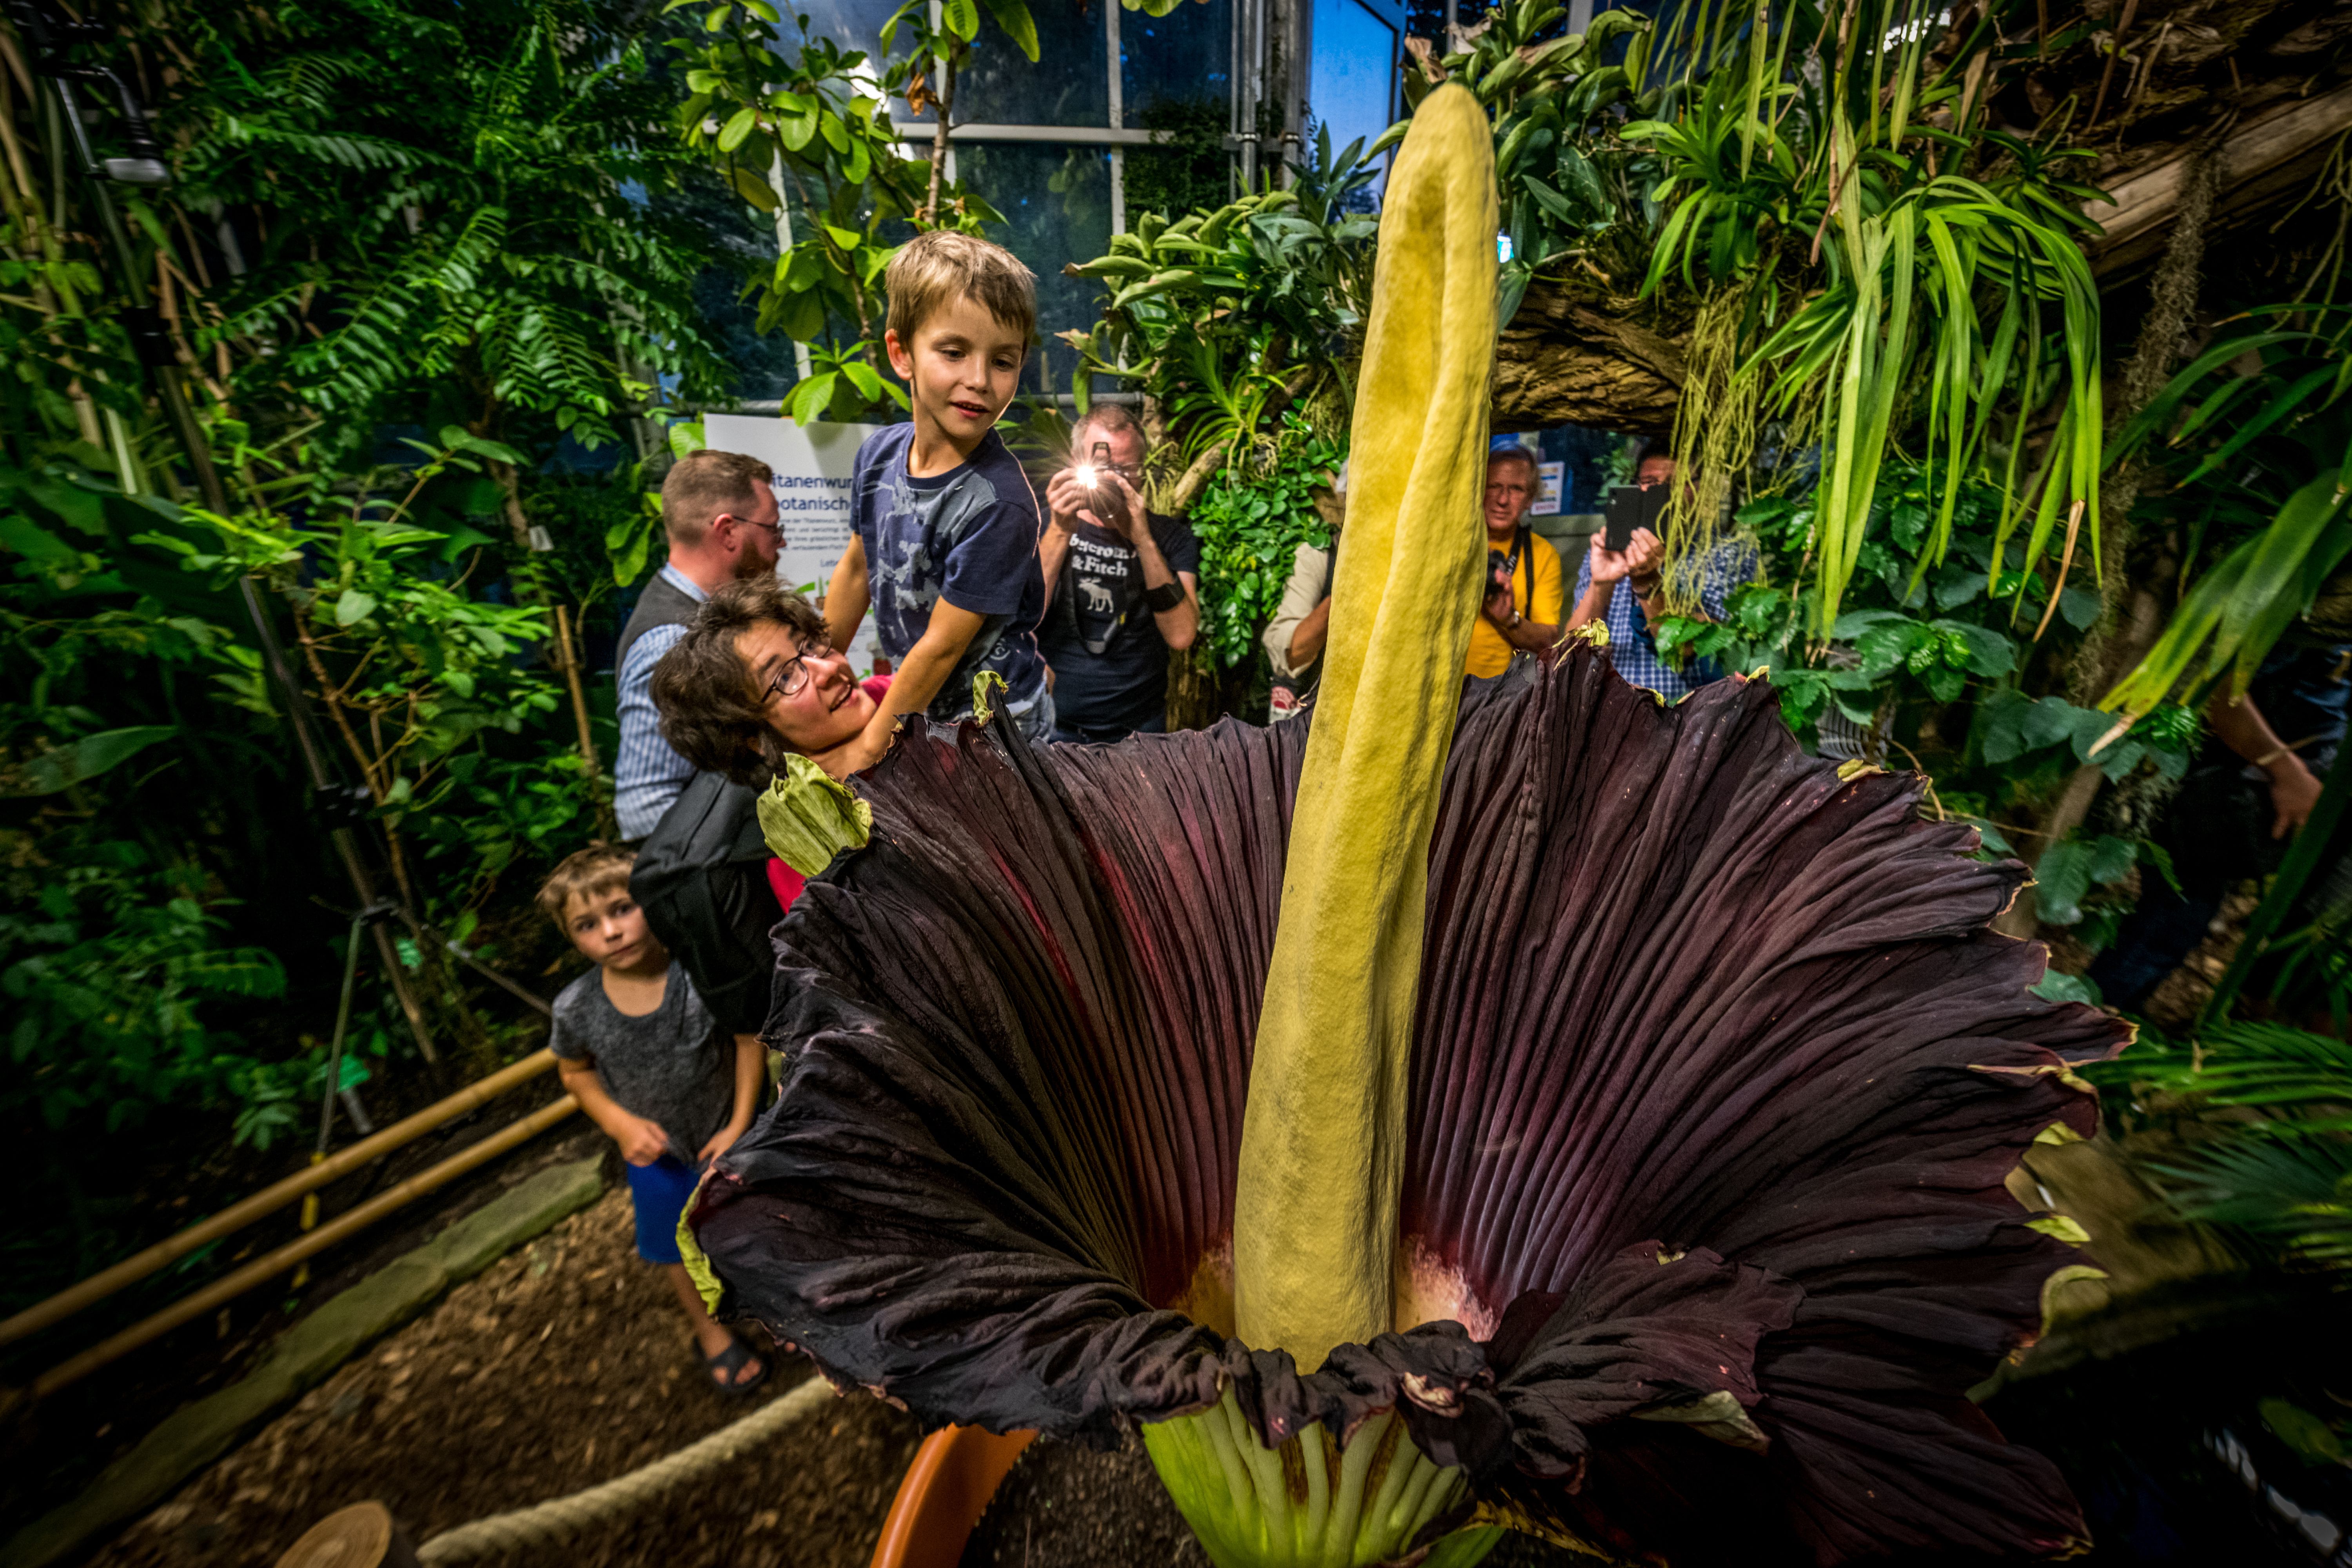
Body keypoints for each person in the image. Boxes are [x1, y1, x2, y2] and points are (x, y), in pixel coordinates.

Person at [539, 845, 771, 1393]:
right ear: (571, 936)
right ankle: (711, 1335)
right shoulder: (575, 1008)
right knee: (675, 1248)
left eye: (621, 909)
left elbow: (747, 1038)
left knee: (764, 1220)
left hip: (733, 1132)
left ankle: (787, 1308)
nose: (611, 933)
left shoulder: (698, 973)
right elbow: (575, 1074)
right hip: (658, 1157)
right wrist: (620, 1125)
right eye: (587, 924)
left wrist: (740, 1123)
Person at [823, 230, 1052, 772]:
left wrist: (864, 752)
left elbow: (941, 650)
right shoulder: (878, 455)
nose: (979, 381)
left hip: (999, 734)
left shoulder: (999, 504)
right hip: (925, 714)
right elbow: (858, 569)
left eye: (1003, 361)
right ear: (901, 353)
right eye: (954, 352)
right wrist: (816, 663)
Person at [2088, 645, 2346, 1009]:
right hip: (2216, 788)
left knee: (2178, 923)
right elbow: (2216, 688)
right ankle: (2074, 1033)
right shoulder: (2309, 615)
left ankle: (2095, 1030)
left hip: (2268, 795)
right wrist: (2284, 769)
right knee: (2170, 922)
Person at [613, 450, 786, 840]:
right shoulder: (671, 641)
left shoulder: (707, 618)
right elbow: (645, 806)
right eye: (772, 529)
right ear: (728, 531)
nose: (782, 543)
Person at [1036, 404, 1201, 742]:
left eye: (1127, 470)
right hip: (1056, 724)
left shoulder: (1170, 537)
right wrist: (1060, 531)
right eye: (1102, 469)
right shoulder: (1046, 524)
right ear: (1076, 465)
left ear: (1144, 471)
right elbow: (1021, 616)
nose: (1113, 480)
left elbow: (1182, 635)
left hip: (1140, 730)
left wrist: (1142, 539)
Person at [1566, 446, 1756, 702]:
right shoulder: (1609, 548)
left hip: (1683, 715)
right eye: (1651, 483)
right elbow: (1571, 651)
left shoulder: (1728, 554)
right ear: (1636, 488)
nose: (1666, 494)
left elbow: (1692, 648)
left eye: (1680, 483)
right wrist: (1602, 583)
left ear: (1701, 489)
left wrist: (1648, 581)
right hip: (1606, 710)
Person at [1466, 445, 1564, 680]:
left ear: (1530, 499)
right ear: (1479, 488)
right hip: (1439, 686)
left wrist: (1509, 618)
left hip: (1503, 698)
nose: (1503, 500)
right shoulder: (1451, 542)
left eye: (1516, 489)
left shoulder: (1542, 554)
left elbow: (1548, 642)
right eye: (1494, 486)